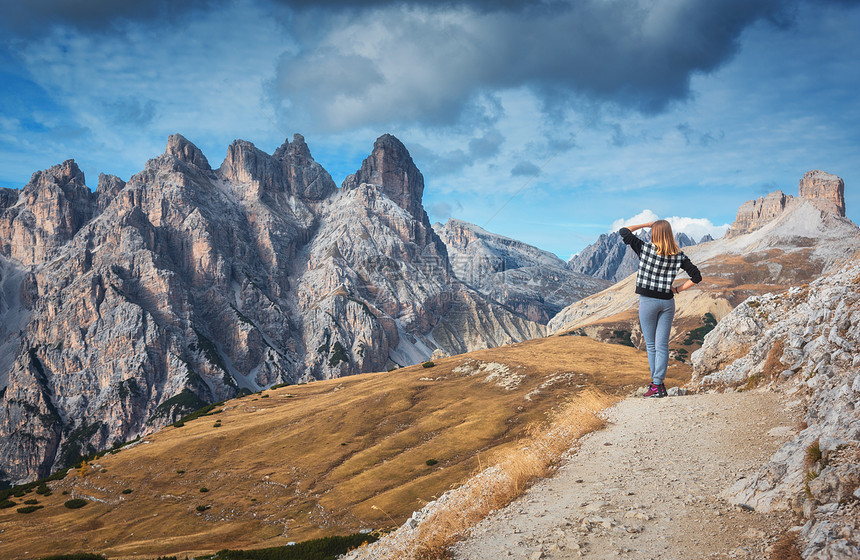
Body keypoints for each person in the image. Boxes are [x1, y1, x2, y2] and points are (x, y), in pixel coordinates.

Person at [619, 220, 702, 398]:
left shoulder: (645, 249)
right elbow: (696, 276)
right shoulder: (678, 255)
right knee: (662, 345)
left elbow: (624, 231)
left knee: (651, 345)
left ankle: (656, 386)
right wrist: (678, 289)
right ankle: (658, 385)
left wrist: (647, 224)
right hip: (667, 303)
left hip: (648, 302)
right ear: (670, 234)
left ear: (654, 233)